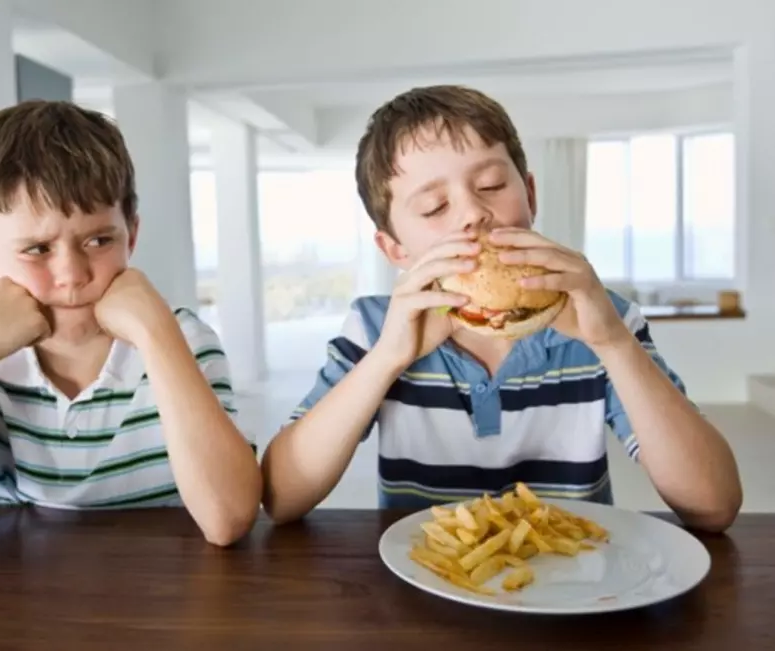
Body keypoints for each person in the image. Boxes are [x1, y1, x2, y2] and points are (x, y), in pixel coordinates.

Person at [260, 85, 742, 532]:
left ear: (529, 195)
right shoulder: (373, 328)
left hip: (575, 585)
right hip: (425, 587)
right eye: (433, 208)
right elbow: (282, 497)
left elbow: (714, 504)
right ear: (396, 250)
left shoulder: (605, 318)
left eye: (491, 185)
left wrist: (613, 343)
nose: (473, 213)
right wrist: (386, 359)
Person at [0, 101, 261, 565]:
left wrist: (157, 334)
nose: (72, 274)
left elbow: (228, 518)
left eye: (99, 240)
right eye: (37, 249)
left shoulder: (182, 339)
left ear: (132, 235)